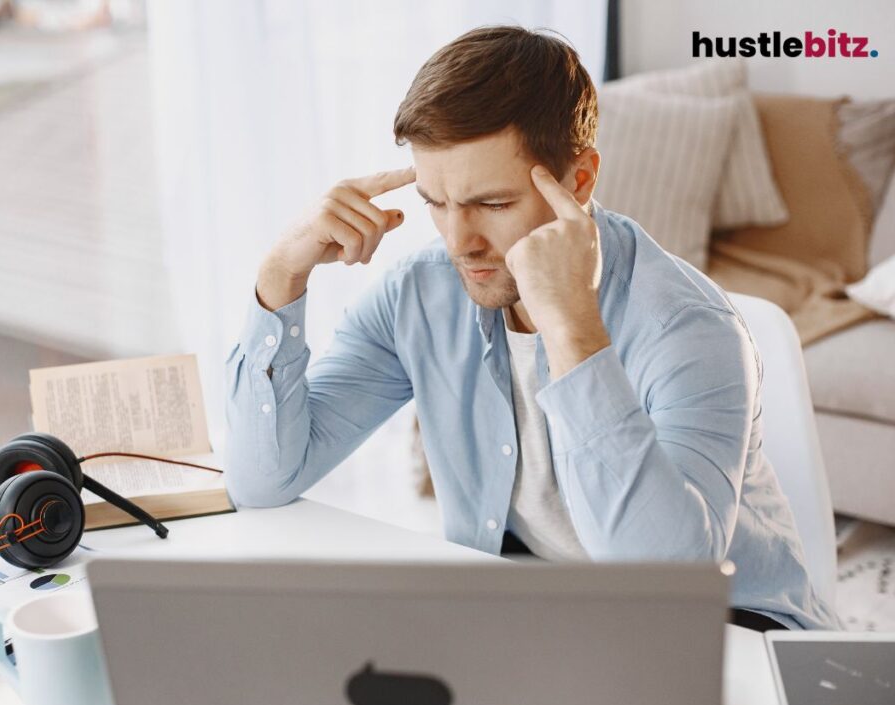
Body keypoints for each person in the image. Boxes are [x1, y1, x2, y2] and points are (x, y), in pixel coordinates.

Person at [224, 25, 838, 631]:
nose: (460, 243)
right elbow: (262, 479)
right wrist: (281, 275)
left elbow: (666, 583)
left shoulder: (689, 327)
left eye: (492, 204)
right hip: (547, 619)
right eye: (436, 203)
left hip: (728, 633)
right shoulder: (418, 293)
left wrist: (571, 324)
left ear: (579, 179)